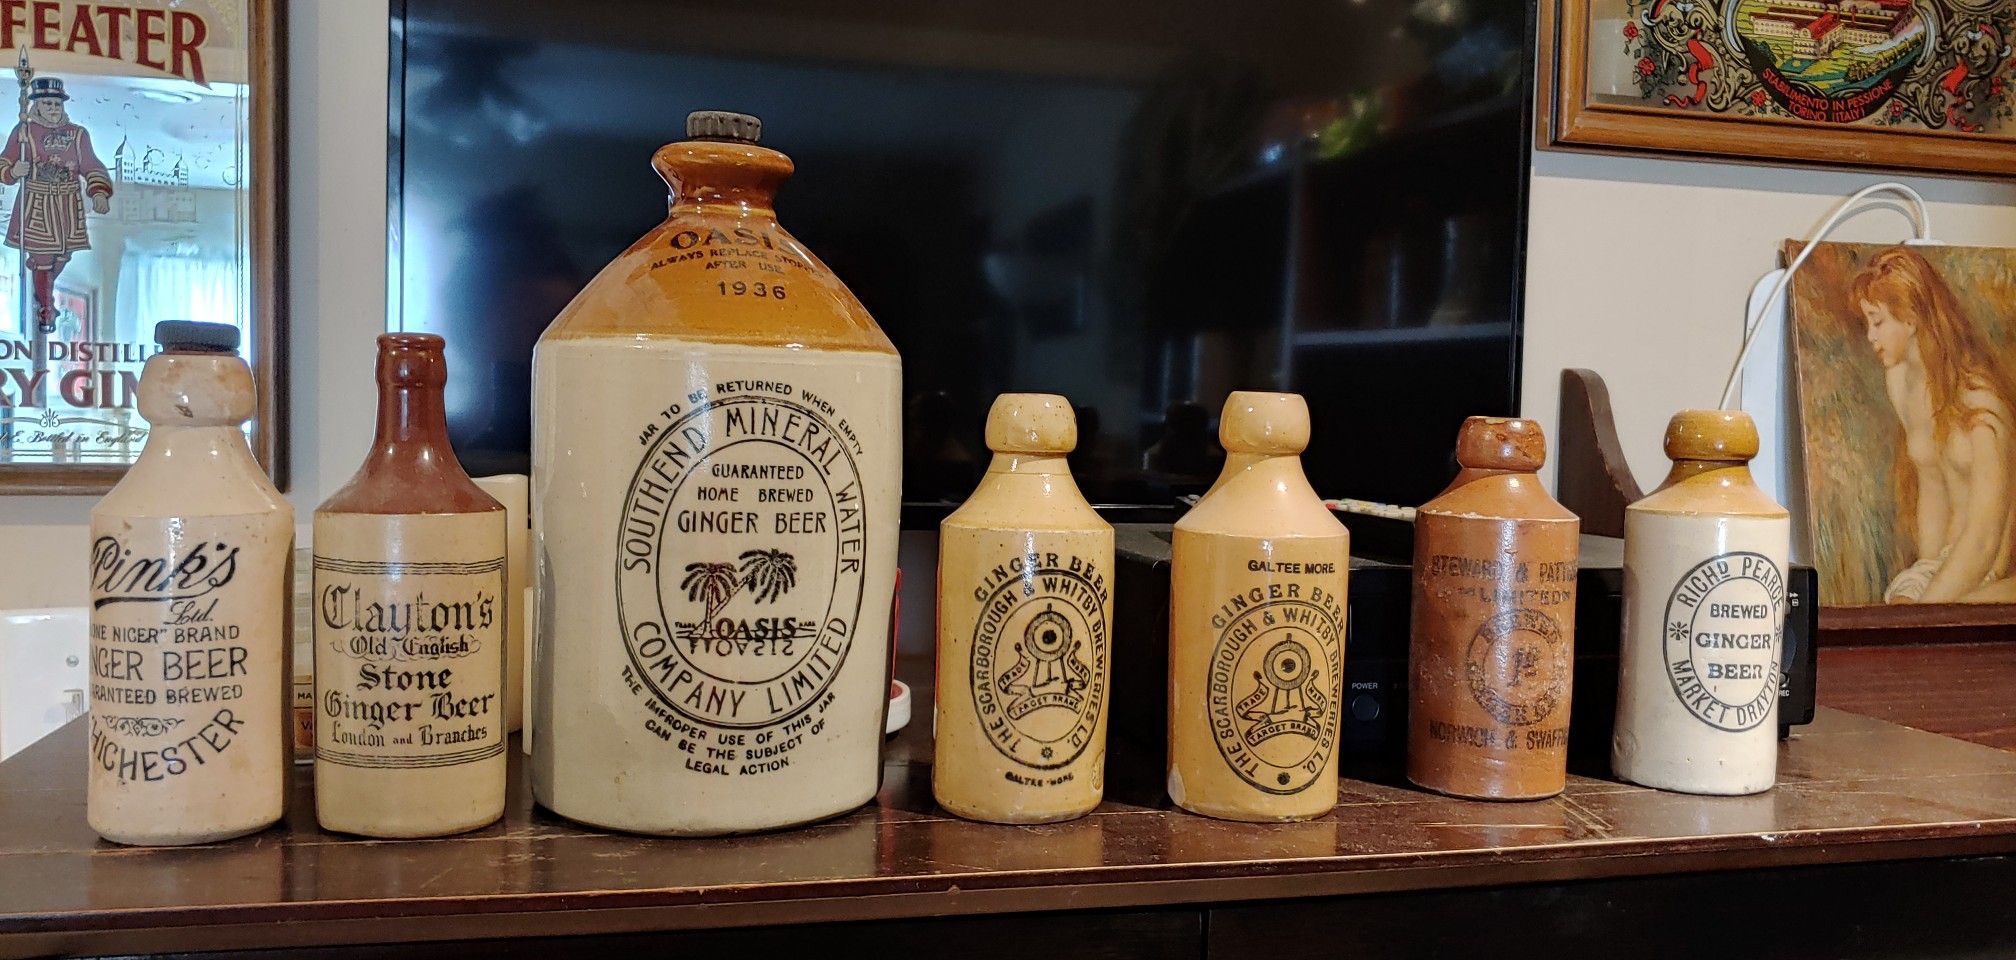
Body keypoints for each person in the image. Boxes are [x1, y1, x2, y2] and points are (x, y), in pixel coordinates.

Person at [1856, 246, 2016, 603]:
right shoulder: (1900, 382)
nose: (1870, 337)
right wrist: (1923, 579)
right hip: (1937, 567)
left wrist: (1928, 610)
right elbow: (1931, 482)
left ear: (1911, 318)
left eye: (1878, 322)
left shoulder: (1982, 404)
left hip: (1988, 574)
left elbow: (1985, 539)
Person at [0, 77, 112, 332]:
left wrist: (99, 192)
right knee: (42, 258)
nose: (53, 108)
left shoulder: (78, 134)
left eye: (56, 104)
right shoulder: (23, 132)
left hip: (68, 204)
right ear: (37, 106)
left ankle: (42, 287)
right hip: (36, 202)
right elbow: (4, 163)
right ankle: (46, 307)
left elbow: (91, 165)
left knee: (62, 255)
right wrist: (14, 170)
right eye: (48, 103)